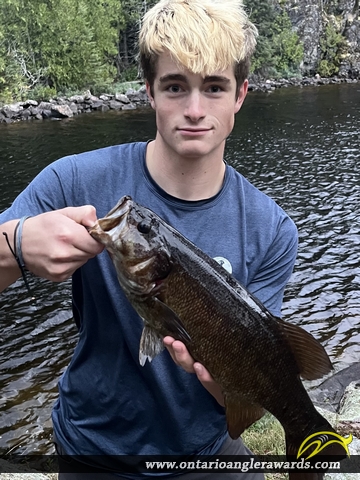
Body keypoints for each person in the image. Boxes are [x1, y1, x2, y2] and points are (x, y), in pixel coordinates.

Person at [0, 0, 298, 478]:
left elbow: (251, 402)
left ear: (240, 94)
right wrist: (14, 245)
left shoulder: (272, 228)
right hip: (93, 449)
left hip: (207, 452)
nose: (195, 110)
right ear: (149, 92)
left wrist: (227, 381)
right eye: (175, 87)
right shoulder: (74, 181)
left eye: (215, 87)